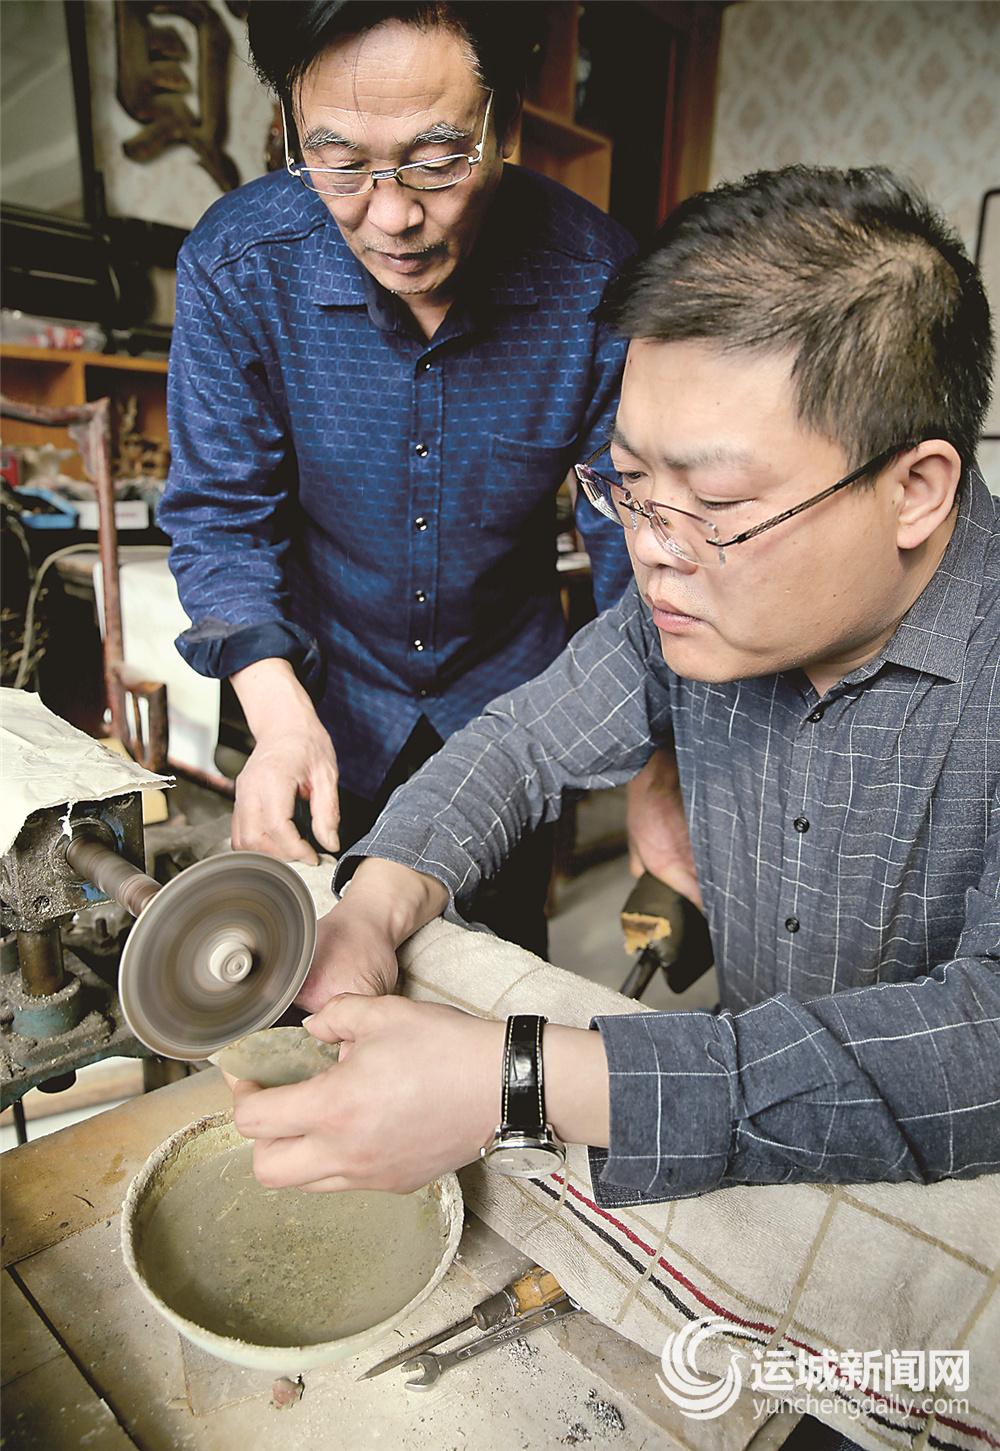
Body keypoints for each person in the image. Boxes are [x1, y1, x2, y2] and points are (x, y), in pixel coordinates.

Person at [229, 164, 999, 1210]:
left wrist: (522, 1078)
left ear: (915, 489)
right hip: (756, 1160)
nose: (651, 550)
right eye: (628, 483)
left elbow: (979, 1043)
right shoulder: (682, 602)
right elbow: (521, 743)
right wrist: (372, 904)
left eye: (714, 503)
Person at [158, 0, 665, 962]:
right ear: (291, 130)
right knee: (317, 968)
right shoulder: (238, 267)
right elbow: (222, 516)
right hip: (320, 698)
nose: (391, 215)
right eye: (339, 162)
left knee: (496, 970)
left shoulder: (597, 281)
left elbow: (636, 548)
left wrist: (658, 764)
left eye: (437, 160)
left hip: (512, 710)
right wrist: (275, 709)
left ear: (506, 125)